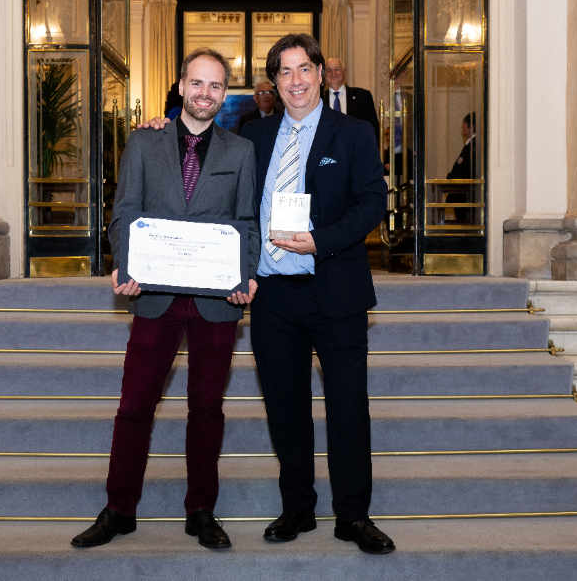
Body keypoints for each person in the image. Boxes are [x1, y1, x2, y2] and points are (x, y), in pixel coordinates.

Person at [70, 47, 260, 551]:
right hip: (153, 296)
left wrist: (248, 274)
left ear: (224, 94)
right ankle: (119, 508)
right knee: (135, 406)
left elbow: (247, 224)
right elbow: (124, 212)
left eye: (216, 86)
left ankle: (200, 510)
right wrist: (127, 266)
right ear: (180, 87)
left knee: (207, 409)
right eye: (196, 83)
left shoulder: (240, 152)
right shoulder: (143, 141)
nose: (205, 93)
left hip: (217, 301)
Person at [240, 34, 393, 554]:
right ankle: (297, 509)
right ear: (273, 82)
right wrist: (160, 127)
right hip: (272, 295)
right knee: (285, 407)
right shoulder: (252, 138)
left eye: (305, 68)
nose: (296, 80)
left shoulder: (352, 134)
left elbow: (373, 201)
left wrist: (319, 241)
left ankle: (353, 516)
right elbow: (227, 197)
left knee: (348, 406)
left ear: (322, 73)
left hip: (336, 289)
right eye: (285, 72)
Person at [323, 57, 380, 146]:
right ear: (324, 74)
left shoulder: (363, 96)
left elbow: (373, 129)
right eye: (329, 70)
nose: (333, 73)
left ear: (344, 72)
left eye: (337, 69)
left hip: (357, 154)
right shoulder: (318, 100)